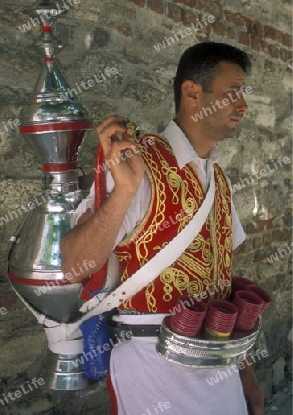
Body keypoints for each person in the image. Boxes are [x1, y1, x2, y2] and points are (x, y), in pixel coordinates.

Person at [61, 42, 264, 415]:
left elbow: (220, 286)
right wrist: (123, 190)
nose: (243, 106)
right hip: (153, 369)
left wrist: (243, 370)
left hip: (218, 366)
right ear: (192, 93)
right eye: (232, 93)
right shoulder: (138, 164)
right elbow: (74, 263)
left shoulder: (218, 180)